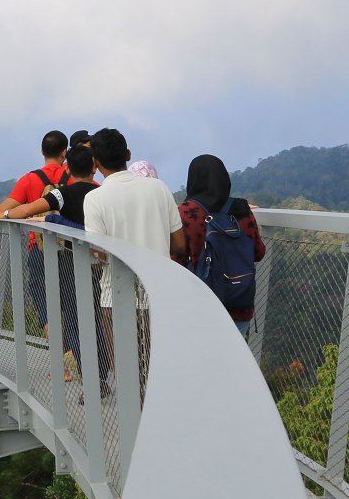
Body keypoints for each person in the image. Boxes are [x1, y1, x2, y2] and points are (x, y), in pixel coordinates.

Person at [83, 129, 185, 399]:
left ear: (95, 162)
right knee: (159, 368)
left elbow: (99, 253)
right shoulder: (159, 189)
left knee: (127, 370)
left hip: (116, 295)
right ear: (128, 155)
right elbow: (180, 245)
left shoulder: (95, 199)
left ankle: (135, 428)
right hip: (158, 294)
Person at [0, 144, 102, 380]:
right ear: (95, 167)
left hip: (58, 255)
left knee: (59, 310)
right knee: (87, 314)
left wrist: (0, 216)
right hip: (97, 261)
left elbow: (22, 210)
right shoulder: (100, 191)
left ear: (69, 164)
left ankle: (72, 365)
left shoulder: (54, 191)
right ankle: (99, 371)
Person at [0, 130, 70, 334]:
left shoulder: (30, 179)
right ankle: (75, 356)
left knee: (46, 306)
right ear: (64, 153)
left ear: (42, 151)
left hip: (39, 248)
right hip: (72, 248)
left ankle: (60, 360)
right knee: (72, 304)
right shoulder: (72, 176)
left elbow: (3, 209)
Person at [174, 154, 266, 336]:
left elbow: (176, 260)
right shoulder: (241, 209)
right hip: (239, 305)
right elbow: (259, 252)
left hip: (199, 307)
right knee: (233, 362)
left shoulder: (185, 212)